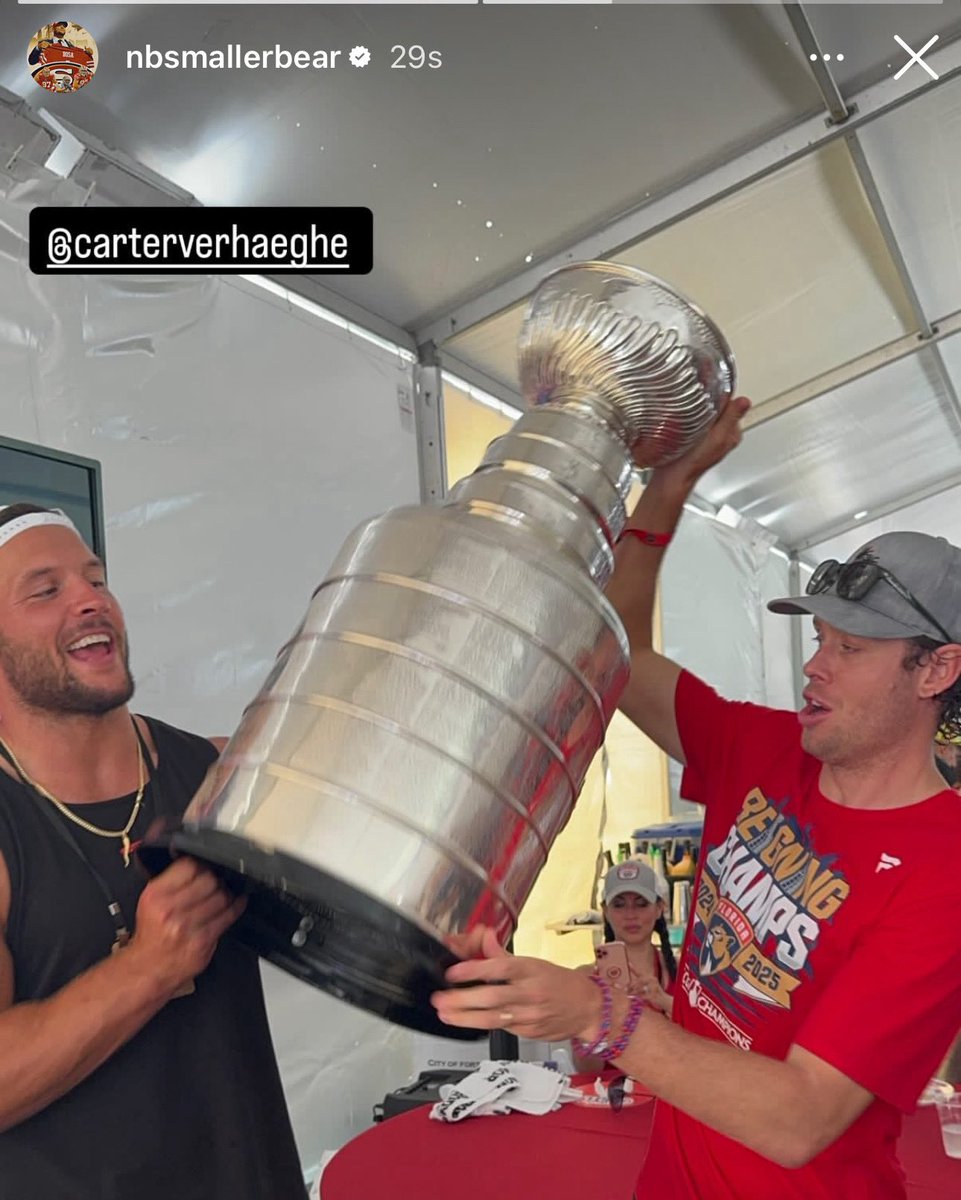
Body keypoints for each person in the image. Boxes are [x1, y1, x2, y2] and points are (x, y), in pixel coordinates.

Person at [433, 395, 961, 1199]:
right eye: (818, 638)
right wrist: (669, 486)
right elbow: (615, 651)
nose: (813, 665)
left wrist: (597, 1017)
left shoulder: (943, 870)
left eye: (850, 648)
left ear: (936, 670)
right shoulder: (763, 747)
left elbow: (800, 1118)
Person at [0, 503, 306, 1200]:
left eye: (96, 580)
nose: (90, 600)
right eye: (45, 591)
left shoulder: (217, 776)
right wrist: (148, 967)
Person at [573, 860, 675, 1072]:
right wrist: (598, 1013)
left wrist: (664, 1001)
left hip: (673, 1089)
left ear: (659, 908)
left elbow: (705, 1046)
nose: (631, 915)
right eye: (619, 905)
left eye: (641, 904)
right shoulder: (585, 978)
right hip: (612, 1090)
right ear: (605, 911)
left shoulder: (682, 973)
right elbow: (588, 1071)